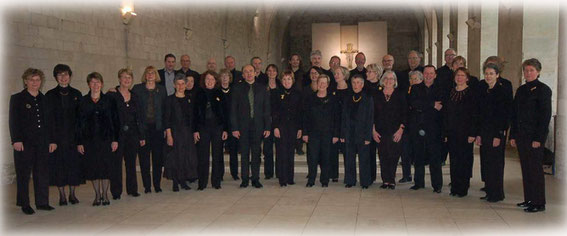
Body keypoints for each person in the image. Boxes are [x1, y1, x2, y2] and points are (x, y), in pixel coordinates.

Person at [10, 68, 57, 214]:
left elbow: (50, 122)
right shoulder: (17, 98)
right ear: (25, 81)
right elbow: (13, 121)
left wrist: (52, 141)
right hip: (24, 143)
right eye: (31, 80)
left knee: (42, 173)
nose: (35, 82)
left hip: (42, 143)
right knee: (24, 174)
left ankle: (42, 202)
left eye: (37, 80)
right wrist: (16, 140)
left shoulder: (45, 99)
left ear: (41, 81)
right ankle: (24, 203)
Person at [510, 58, 552, 213]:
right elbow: (514, 114)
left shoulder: (544, 90)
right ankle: (528, 198)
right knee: (526, 169)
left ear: (538, 72)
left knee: (535, 170)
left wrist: (539, 139)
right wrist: (513, 135)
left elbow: (544, 117)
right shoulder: (521, 90)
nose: (528, 73)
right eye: (526, 70)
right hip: (521, 136)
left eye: (531, 70)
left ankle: (539, 202)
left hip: (534, 137)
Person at [77, 72, 119, 206]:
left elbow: (115, 120)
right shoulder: (83, 101)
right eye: (93, 82)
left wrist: (115, 139)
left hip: (106, 139)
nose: (95, 85)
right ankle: (97, 195)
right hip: (89, 141)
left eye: (98, 82)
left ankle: (105, 194)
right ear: (89, 84)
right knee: (94, 168)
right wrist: (79, 142)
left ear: (102, 84)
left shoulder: (109, 100)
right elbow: (78, 123)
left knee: (106, 169)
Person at [46, 64, 83, 206]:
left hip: (73, 138)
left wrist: (80, 140)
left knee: (73, 166)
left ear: (70, 76)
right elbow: (48, 120)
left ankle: (72, 194)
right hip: (57, 139)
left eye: (66, 74)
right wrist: (52, 140)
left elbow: (81, 119)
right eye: (60, 75)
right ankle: (62, 195)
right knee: (59, 167)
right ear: (56, 77)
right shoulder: (50, 95)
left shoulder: (76, 94)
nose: (63, 77)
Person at [230, 65, 271, 188]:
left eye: (251, 71)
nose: (249, 74)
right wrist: (234, 128)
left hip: (258, 126)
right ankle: (244, 179)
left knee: (256, 153)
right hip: (242, 127)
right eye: (246, 72)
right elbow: (233, 110)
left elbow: (267, 109)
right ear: (242, 75)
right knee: (244, 154)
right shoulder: (237, 89)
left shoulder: (262, 89)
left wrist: (267, 127)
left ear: (255, 73)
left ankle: (255, 178)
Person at [107, 68, 145, 200]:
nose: (127, 80)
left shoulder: (135, 96)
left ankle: (132, 189)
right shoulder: (111, 95)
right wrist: (112, 138)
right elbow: (109, 117)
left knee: (131, 163)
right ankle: (116, 192)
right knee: (116, 164)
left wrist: (141, 136)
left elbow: (139, 117)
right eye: (124, 77)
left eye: (129, 78)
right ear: (119, 79)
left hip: (133, 134)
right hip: (117, 135)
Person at [132, 66, 167, 194]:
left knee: (157, 158)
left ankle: (157, 185)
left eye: (153, 73)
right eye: (148, 73)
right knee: (144, 159)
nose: (150, 75)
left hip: (158, 128)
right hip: (143, 129)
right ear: (145, 75)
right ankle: (147, 186)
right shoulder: (137, 89)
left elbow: (165, 110)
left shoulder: (162, 90)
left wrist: (165, 128)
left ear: (156, 75)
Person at [443, 67, 478, 197]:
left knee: (464, 160)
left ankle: (463, 188)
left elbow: (474, 115)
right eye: (457, 75)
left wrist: (472, 133)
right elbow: (446, 114)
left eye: (462, 75)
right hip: (452, 132)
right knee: (454, 160)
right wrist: (445, 132)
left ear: (467, 78)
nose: (459, 78)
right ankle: (455, 187)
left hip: (466, 132)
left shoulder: (471, 93)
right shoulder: (450, 92)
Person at [408, 65, 444, 193]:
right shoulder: (415, 88)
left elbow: (441, 106)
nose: (428, 76)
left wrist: (423, 105)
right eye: (426, 73)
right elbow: (413, 104)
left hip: (434, 128)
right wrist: (432, 104)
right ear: (423, 74)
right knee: (418, 156)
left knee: (435, 158)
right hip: (418, 126)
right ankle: (419, 183)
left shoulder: (440, 89)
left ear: (435, 75)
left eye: (431, 73)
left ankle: (437, 185)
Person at [476, 63, 508, 201]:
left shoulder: (501, 91)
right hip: (484, 132)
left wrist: (498, 135)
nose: (488, 76)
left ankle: (497, 194)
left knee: (496, 164)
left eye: (491, 73)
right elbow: (479, 114)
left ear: (497, 75)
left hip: (496, 133)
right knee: (487, 162)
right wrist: (478, 134)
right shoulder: (484, 90)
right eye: (486, 73)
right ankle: (489, 190)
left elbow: (503, 116)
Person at [194, 71, 228, 190]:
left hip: (217, 128)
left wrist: (225, 130)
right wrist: (195, 130)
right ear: (204, 81)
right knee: (202, 156)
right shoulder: (198, 93)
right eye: (207, 79)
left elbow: (225, 113)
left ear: (216, 81)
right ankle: (202, 183)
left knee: (217, 155)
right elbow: (194, 114)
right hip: (202, 128)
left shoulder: (220, 93)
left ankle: (216, 182)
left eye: (212, 79)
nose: (209, 81)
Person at [164, 73, 198, 192]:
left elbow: (193, 118)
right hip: (175, 132)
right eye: (178, 84)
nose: (180, 86)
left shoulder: (189, 99)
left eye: (183, 84)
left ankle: (183, 181)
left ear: (186, 85)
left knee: (186, 157)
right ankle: (175, 182)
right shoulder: (169, 99)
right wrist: (169, 135)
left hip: (187, 133)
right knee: (175, 157)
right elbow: (167, 119)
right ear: (174, 85)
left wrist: (194, 132)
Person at [303, 74, 338, 187]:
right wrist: (305, 133)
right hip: (313, 133)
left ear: (327, 85)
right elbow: (305, 117)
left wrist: (336, 134)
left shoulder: (333, 99)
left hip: (328, 133)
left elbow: (336, 118)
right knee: (312, 157)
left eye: (324, 83)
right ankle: (311, 180)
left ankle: (325, 180)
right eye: (320, 82)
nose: (322, 85)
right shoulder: (310, 98)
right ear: (317, 84)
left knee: (326, 157)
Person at [373, 71, 407, 190]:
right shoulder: (376, 94)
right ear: (382, 80)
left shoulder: (400, 94)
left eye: (391, 78)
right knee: (383, 155)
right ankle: (385, 180)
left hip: (395, 130)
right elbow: (372, 114)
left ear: (395, 81)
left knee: (393, 155)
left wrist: (401, 130)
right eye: (386, 78)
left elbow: (405, 113)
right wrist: (373, 130)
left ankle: (391, 180)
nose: (388, 80)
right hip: (380, 130)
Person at [341, 74, 374, 189]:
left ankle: (365, 182)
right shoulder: (348, 97)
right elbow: (344, 117)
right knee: (349, 158)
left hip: (362, 133)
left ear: (363, 84)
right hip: (349, 132)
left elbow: (370, 118)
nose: (356, 85)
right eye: (354, 83)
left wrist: (368, 136)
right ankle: (350, 180)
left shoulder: (368, 98)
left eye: (358, 82)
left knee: (364, 158)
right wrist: (343, 133)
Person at [272, 70, 302, 187]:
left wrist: (300, 128)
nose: (286, 81)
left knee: (290, 152)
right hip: (281, 127)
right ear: (281, 80)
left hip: (293, 127)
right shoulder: (276, 93)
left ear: (293, 80)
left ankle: (290, 177)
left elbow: (300, 112)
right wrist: (275, 127)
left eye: (289, 79)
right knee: (281, 152)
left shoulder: (297, 93)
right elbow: (274, 112)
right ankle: (282, 178)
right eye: (284, 79)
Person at [329, 66, 351, 183]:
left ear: (344, 75)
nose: (336, 75)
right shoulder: (331, 89)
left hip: (346, 125)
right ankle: (334, 175)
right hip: (333, 124)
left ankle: (348, 176)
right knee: (333, 151)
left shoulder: (351, 89)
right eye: (335, 73)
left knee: (347, 152)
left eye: (338, 73)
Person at [364, 63, 384, 183]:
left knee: (382, 152)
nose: (367, 73)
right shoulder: (364, 86)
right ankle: (370, 176)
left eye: (369, 71)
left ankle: (386, 177)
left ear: (376, 73)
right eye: (367, 71)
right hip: (367, 122)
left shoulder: (381, 87)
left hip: (380, 122)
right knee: (369, 152)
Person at [302, 66, 322, 180]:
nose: (314, 75)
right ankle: (311, 173)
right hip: (310, 124)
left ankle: (324, 173)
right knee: (311, 152)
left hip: (322, 125)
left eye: (316, 73)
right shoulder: (305, 89)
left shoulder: (324, 88)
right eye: (312, 73)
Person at [219, 69, 240, 180]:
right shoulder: (217, 91)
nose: (225, 78)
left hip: (232, 125)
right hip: (220, 126)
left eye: (227, 76)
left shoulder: (234, 90)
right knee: (219, 151)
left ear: (230, 78)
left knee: (233, 151)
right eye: (223, 76)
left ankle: (234, 173)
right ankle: (220, 174)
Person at [263, 64, 281, 179]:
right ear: (266, 72)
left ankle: (279, 172)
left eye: (274, 70)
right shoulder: (262, 86)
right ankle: (268, 173)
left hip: (278, 120)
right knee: (267, 148)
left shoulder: (281, 85)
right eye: (269, 71)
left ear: (277, 73)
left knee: (279, 147)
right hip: (266, 120)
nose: (271, 72)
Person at [289, 53, 305, 155]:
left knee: (299, 124)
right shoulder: (286, 73)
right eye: (293, 59)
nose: (295, 61)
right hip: (288, 100)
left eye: (297, 60)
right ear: (290, 61)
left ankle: (299, 146)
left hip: (300, 100)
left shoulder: (303, 74)